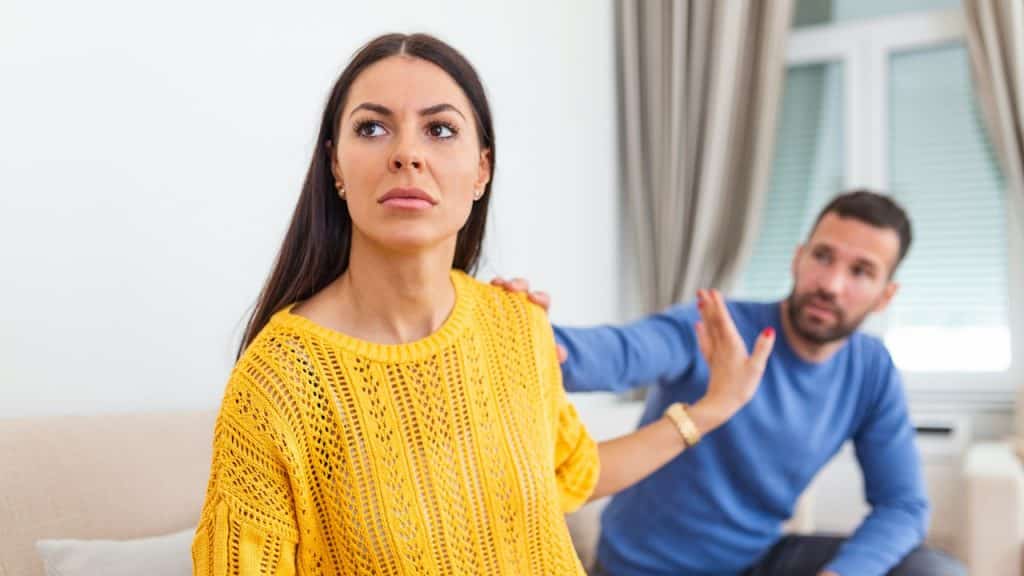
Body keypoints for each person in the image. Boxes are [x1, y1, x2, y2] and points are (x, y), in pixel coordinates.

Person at [191, 33, 775, 576]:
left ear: (482, 169)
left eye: (440, 130)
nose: (407, 154)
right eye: (372, 128)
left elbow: (573, 475)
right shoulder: (280, 381)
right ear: (336, 167)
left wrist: (713, 408)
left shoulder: (516, 324)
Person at [498, 190, 966, 575]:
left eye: (860, 271)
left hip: (755, 562)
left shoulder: (871, 370)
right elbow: (617, 353)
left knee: (933, 572)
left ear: (886, 295)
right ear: (798, 259)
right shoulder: (716, 327)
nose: (832, 284)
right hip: (645, 569)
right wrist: (525, 335)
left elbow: (903, 506)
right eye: (822, 257)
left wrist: (844, 574)